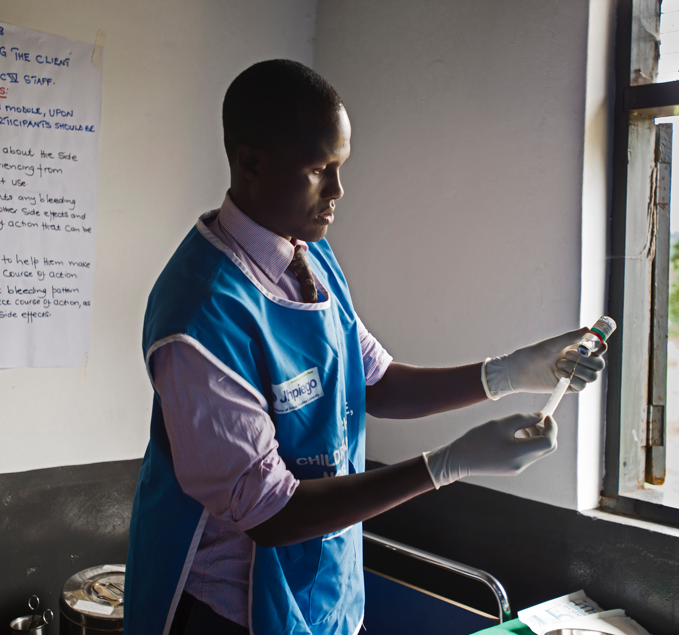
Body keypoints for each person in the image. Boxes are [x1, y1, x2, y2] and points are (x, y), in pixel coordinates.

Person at [123, 60, 606, 635]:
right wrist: (446, 466)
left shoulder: (306, 253)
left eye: (341, 167)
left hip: (321, 585)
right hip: (227, 608)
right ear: (252, 162)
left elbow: (374, 381)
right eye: (320, 170)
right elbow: (269, 513)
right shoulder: (201, 316)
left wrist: (507, 373)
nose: (338, 191)